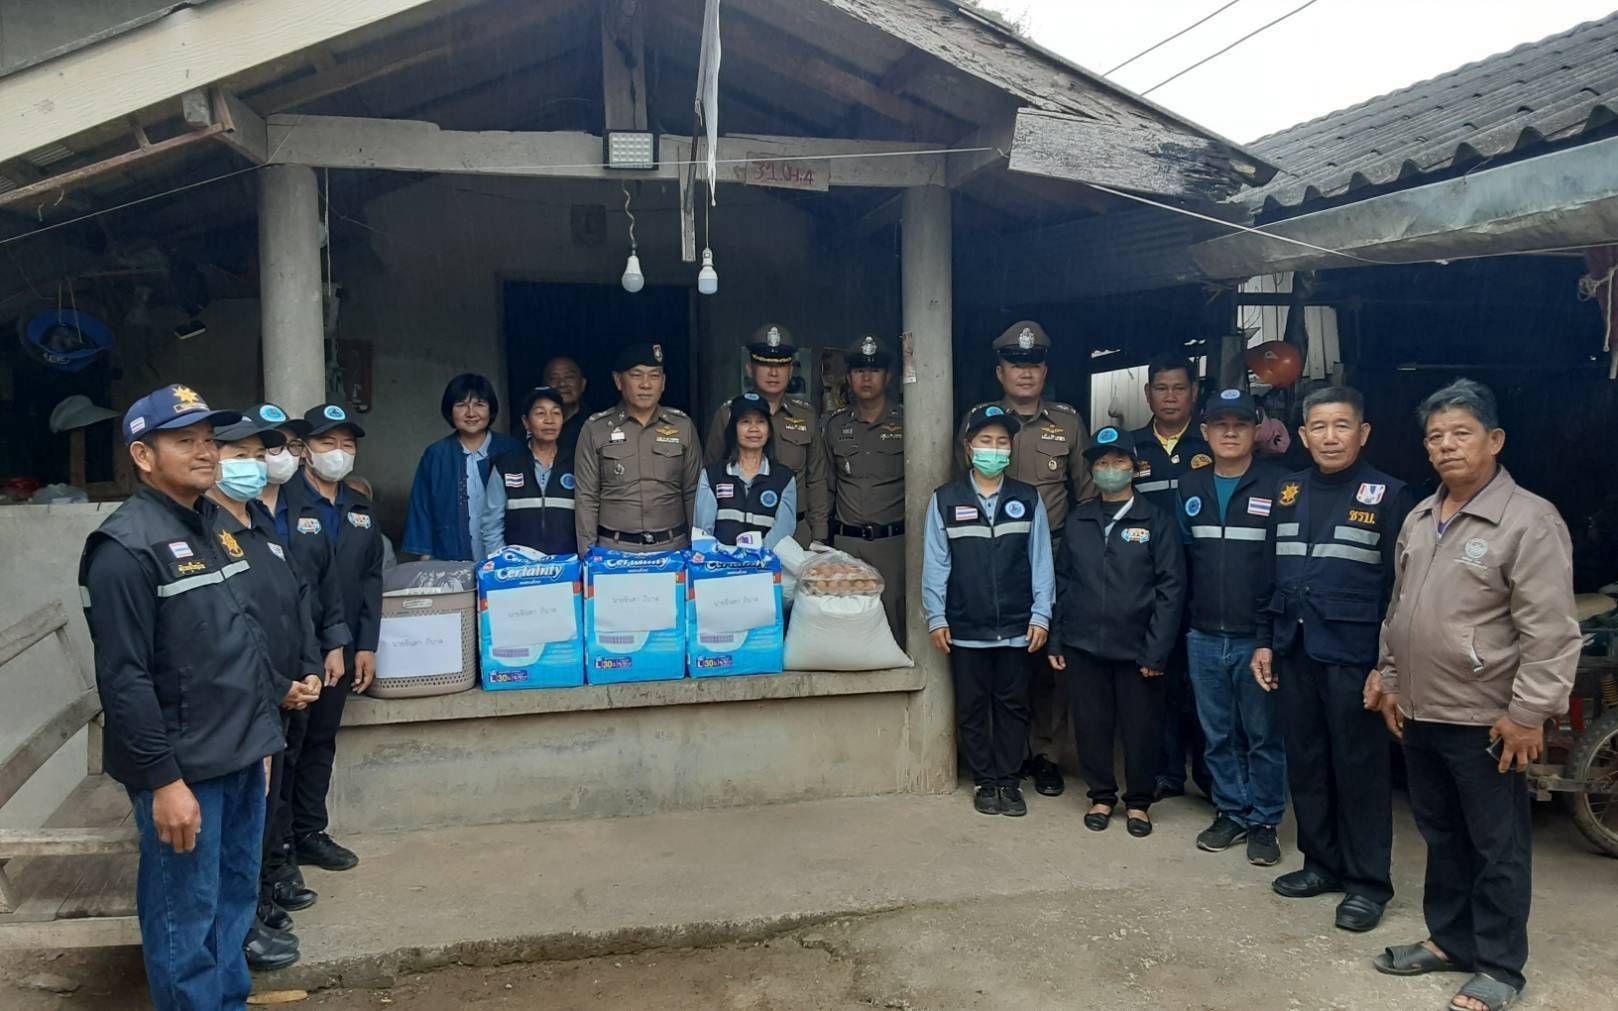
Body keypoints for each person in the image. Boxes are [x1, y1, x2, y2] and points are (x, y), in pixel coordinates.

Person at [1366, 379, 1578, 1011]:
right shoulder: (1419, 517)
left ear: (1495, 440)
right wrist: (1389, 679)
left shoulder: (1528, 520)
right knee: (1441, 834)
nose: (1446, 446)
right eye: (1435, 436)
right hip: (1421, 710)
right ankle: (1450, 941)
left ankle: (1500, 967)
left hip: (1487, 718)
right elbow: (1399, 609)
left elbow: (1550, 629)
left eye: (1461, 433)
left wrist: (1528, 713)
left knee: (1496, 845)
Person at [78, 385, 282, 1010]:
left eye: (208, 440)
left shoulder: (214, 524)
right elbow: (124, 679)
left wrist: (263, 733)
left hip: (240, 753)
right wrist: (165, 782)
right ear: (144, 456)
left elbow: (236, 637)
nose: (205, 452)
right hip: (186, 769)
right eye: (185, 441)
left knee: (234, 901)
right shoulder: (123, 549)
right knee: (185, 917)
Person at [1250, 385, 1413, 933]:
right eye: (1318, 427)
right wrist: (1265, 639)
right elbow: (1269, 573)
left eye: (1342, 425)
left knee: (1360, 770)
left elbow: (1400, 591)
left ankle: (1368, 884)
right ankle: (1321, 864)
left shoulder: (1389, 495)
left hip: (1354, 657)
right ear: (1302, 435)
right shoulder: (1287, 490)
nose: (1330, 437)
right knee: (1308, 763)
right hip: (1295, 650)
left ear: (1362, 433)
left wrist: (1385, 666)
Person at [205, 410, 325, 971]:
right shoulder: (204, 530)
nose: (253, 467)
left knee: (265, 806)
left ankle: (258, 900)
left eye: (260, 456)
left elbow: (296, 597)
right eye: (240, 456)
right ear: (210, 460)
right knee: (240, 816)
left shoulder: (259, 519)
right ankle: (242, 924)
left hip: (283, 688)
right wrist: (276, 686)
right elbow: (224, 626)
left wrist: (308, 666)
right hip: (244, 697)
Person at [959, 321, 1093, 798]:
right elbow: (961, 488)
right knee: (999, 659)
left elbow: (1086, 495)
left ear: (1044, 371)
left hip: (1052, 552)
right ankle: (1004, 755)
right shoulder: (980, 420)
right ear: (1000, 371)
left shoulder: (1068, 422)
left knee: (1049, 657)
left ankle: (1046, 753)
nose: (1025, 372)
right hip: (991, 555)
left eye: (1033, 364)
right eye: (1016, 364)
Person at [1050, 427, 1185, 838]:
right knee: (1091, 725)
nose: (1110, 469)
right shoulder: (1079, 520)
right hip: (1084, 644)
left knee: (1141, 727)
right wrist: (1057, 637)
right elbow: (1063, 581)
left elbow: (1171, 589)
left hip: (1138, 648)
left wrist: (1157, 650)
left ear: (1135, 468)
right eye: (1102, 463)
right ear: (1092, 471)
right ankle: (1101, 795)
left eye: (1119, 462)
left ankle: (1139, 802)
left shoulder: (1157, 521)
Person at [924, 405, 1054, 817]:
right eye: (985, 441)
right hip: (966, 625)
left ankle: (1009, 781)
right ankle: (984, 780)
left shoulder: (1027, 498)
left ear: (1011, 449)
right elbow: (936, 562)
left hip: (1017, 626)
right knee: (973, 707)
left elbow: (1041, 560)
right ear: (969, 447)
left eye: (1001, 442)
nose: (993, 449)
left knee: (1013, 705)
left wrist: (1041, 614)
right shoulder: (946, 500)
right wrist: (936, 615)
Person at [1177, 389, 1288, 867]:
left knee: (1262, 734)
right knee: (1217, 733)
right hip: (1203, 634)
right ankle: (1231, 811)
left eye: (1239, 424)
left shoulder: (1280, 486)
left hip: (1255, 638)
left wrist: (1271, 635)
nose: (1229, 432)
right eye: (1220, 424)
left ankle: (1265, 820)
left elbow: (1284, 568)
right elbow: (1184, 561)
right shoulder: (1190, 486)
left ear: (1255, 431)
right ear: (1205, 432)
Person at [279, 403, 385, 874]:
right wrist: (320, 644)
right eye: (327, 442)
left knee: (322, 738)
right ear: (305, 450)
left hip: (343, 649)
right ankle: (278, 842)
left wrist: (366, 644)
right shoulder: (283, 503)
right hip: (295, 646)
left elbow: (370, 580)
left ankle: (308, 832)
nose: (338, 452)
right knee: (288, 744)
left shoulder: (359, 508)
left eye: (347, 444)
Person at [251, 403, 346, 920]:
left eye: (289, 445)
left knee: (299, 756)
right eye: (267, 446)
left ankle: (285, 858)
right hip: (255, 670)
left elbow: (319, 586)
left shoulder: (305, 508)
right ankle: (266, 875)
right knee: (266, 773)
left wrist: (326, 649)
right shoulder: (228, 516)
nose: (279, 455)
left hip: (303, 657)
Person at [1132, 354, 1213, 804]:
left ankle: (1208, 773)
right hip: (1148, 583)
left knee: (1202, 680)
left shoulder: (1211, 441)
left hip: (1203, 580)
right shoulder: (1132, 448)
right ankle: (1165, 771)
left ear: (1193, 393)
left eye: (1179, 388)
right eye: (1161, 388)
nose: (1169, 397)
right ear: (1148, 394)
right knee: (1156, 675)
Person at [702, 324, 828, 545]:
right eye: (765, 364)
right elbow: (711, 473)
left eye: (781, 365)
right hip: (736, 534)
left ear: (791, 370)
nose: (773, 373)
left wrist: (819, 536)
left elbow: (816, 479)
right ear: (750, 368)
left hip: (795, 532)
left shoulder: (806, 416)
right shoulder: (728, 414)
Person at [574, 343, 701, 553]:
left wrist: (698, 550)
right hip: (614, 550)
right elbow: (586, 498)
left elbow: (693, 493)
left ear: (663, 382)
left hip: (672, 548)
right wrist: (588, 555)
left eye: (654, 376)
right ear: (618, 380)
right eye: (636, 375)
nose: (646, 384)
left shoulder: (682, 426)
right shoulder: (596, 429)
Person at [824, 335, 906, 641]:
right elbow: (827, 485)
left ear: (888, 376)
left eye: (874, 370)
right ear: (848, 377)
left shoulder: (908, 420)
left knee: (895, 623)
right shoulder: (834, 425)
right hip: (847, 544)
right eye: (859, 371)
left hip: (893, 543)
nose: (866, 378)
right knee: (847, 625)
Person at [403, 373, 521, 561]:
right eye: (461, 405)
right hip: (448, 559)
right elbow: (422, 509)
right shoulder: (436, 455)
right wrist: (426, 561)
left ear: (491, 409)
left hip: (507, 561)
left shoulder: (511, 450)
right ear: (449, 411)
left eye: (479, 404)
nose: (471, 413)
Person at [482, 386, 578, 557]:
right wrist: (503, 561)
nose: (549, 420)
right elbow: (491, 525)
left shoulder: (577, 463)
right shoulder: (507, 464)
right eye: (540, 413)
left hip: (567, 564)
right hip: (519, 566)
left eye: (556, 413)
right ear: (526, 422)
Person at [694, 393, 797, 549]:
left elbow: (783, 534)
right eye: (745, 422)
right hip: (720, 562)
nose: (754, 428)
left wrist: (755, 558)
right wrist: (728, 558)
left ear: (769, 430)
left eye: (761, 422)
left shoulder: (784, 479)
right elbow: (703, 533)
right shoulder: (712, 475)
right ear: (733, 429)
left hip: (766, 562)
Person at [542, 355, 589, 449]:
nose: (562, 384)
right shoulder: (532, 427)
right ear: (544, 386)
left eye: (569, 377)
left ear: (582, 384)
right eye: (553, 378)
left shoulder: (595, 424)